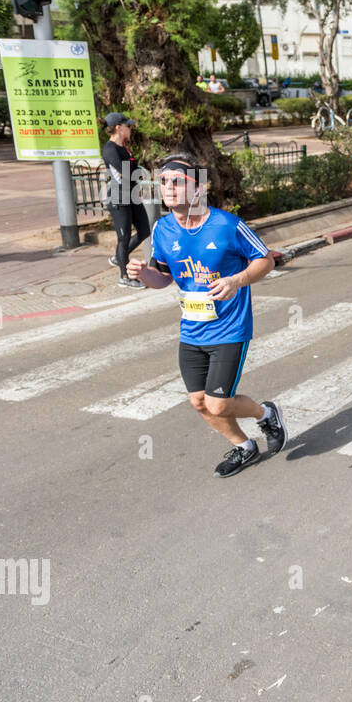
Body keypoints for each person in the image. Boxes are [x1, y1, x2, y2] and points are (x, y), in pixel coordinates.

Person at [125, 152, 288, 478]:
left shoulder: (228, 225)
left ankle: (265, 413)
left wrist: (237, 280)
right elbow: (163, 278)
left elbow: (266, 260)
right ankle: (244, 446)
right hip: (192, 330)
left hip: (230, 328)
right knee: (199, 402)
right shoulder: (162, 229)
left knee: (217, 403)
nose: (168, 187)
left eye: (177, 181)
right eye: (164, 182)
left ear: (198, 189)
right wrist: (143, 275)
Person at [101, 112, 150, 289]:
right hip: (119, 197)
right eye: (128, 126)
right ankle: (124, 276)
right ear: (118, 128)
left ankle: (118, 257)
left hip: (132, 194)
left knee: (145, 230)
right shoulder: (110, 149)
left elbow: (132, 170)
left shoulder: (125, 148)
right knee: (124, 237)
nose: (130, 129)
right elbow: (125, 172)